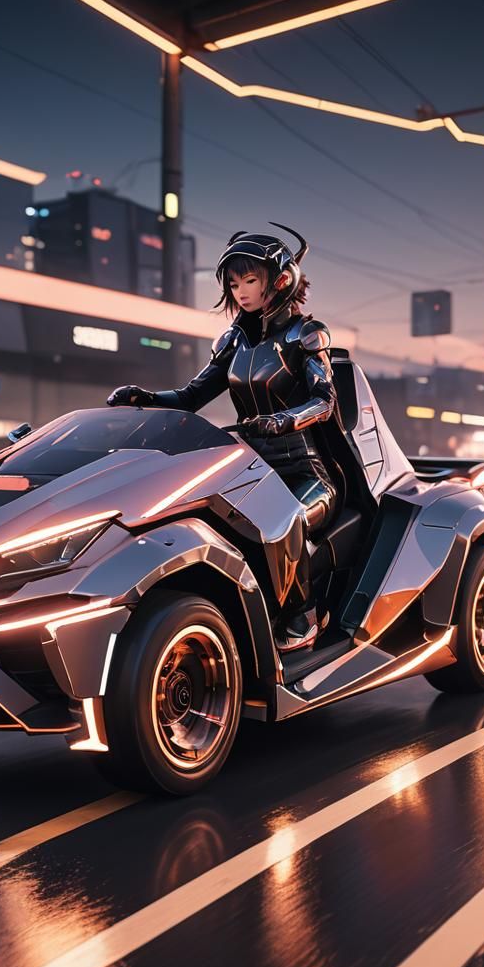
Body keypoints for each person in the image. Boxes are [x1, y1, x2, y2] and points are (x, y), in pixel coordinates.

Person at [107, 226, 339, 651]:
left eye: (250, 280)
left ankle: (304, 616)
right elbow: (192, 395)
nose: (241, 291)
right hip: (252, 471)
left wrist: (284, 420)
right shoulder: (235, 341)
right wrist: (146, 397)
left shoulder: (305, 335)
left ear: (282, 279)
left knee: (285, 519)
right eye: (234, 284)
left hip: (307, 474)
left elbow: (325, 400)